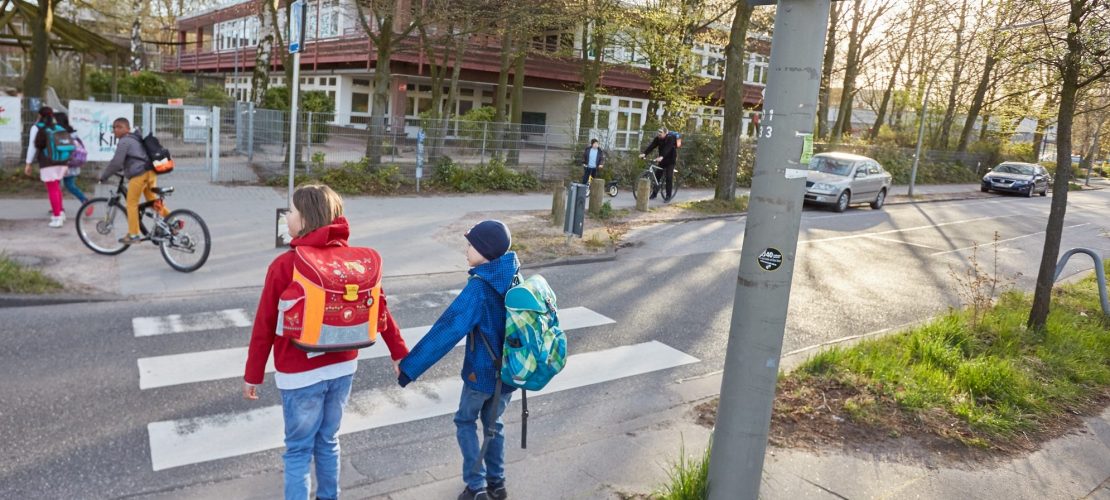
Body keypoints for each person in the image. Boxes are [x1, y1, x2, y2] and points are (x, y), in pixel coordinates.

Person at [243, 184, 410, 500]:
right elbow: (381, 309)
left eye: (290, 211)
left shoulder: (284, 266)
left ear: (304, 220)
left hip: (298, 374)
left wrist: (253, 374)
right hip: (342, 368)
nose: (287, 217)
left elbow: (264, 326)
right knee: (329, 441)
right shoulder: (353, 263)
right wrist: (399, 353)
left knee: (297, 451)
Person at [397, 220, 518, 500]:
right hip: (509, 374)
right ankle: (497, 484)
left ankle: (476, 487)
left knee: (465, 422)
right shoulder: (513, 276)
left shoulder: (479, 288)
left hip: (481, 374)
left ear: (485, 252)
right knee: (494, 425)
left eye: (471, 245)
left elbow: (446, 331)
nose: (466, 250)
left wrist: (408, 369)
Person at [99, 118, 173, 244]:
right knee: (152, 201)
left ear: (127, 129)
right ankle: (172, 220)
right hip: (150, 173)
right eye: (114, 127)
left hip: (140, 175)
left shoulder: (124, 141)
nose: (115, 129)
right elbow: (134, 158)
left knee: (131, 203)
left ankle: (133, 234)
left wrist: (104, 176)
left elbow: (116, 162)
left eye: (119, 127)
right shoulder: (136, 139)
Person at [24, 107, 70, 228]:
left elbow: (32, 147)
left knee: (52, 189)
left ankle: (57, 218)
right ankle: (61, 212)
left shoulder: (37, 127)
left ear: (39, 115)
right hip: (62, 161)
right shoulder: (58, 127)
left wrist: (28, 163)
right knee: (57, 187)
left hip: (48, 162)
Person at [54, 112, 91, 214]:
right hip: (72, 164)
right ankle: (85, 201)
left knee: (56, 186)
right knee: (69, 185)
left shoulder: (60, 133)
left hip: (63, 163)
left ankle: (58, 207)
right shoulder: (72, 132)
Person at [639, 127, 679, 201]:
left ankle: (668, 196)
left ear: (665, 133)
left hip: (671, 160)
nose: (659, 135)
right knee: (657, 176)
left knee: (669, 177)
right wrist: (645, 153)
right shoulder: (658, 139)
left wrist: (661, 156)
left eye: (660, 133)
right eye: (658, 133)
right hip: (662, 160)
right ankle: (654, 194)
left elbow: (668, 148)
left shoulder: (670, 138)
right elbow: (652, 146)